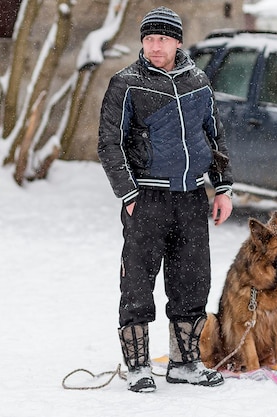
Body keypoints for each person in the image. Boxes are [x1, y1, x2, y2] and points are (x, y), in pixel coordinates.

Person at [97, 6, 234, 393]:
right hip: (147, 197)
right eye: (148, 39)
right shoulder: (127, 84)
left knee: (192, 279)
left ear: (177, 41)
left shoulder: (199, 81)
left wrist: (221, 187)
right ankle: (138, 367)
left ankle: (185, 362)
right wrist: (128, 192)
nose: (155, 46)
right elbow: (109, 143)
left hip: (190, 195)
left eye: (162, 39)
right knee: (138, 281)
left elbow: (215, 135)